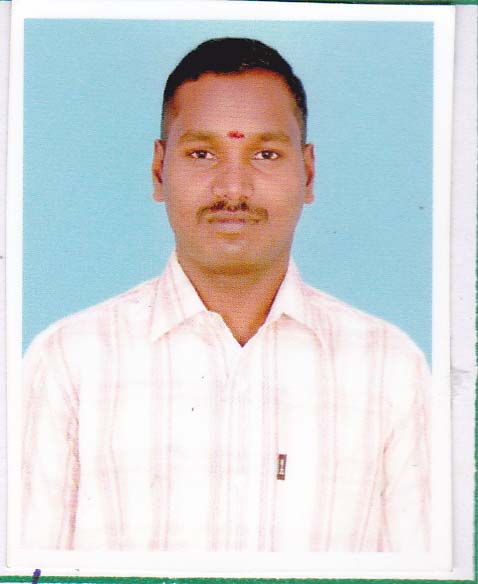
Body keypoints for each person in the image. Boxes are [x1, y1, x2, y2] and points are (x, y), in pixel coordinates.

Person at [21, 37, 430, 553]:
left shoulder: (389, 368)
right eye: (202, 153)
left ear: (307, 173)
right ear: (159, 170)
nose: (232, 189)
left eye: (265, 153)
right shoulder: (69, 362)